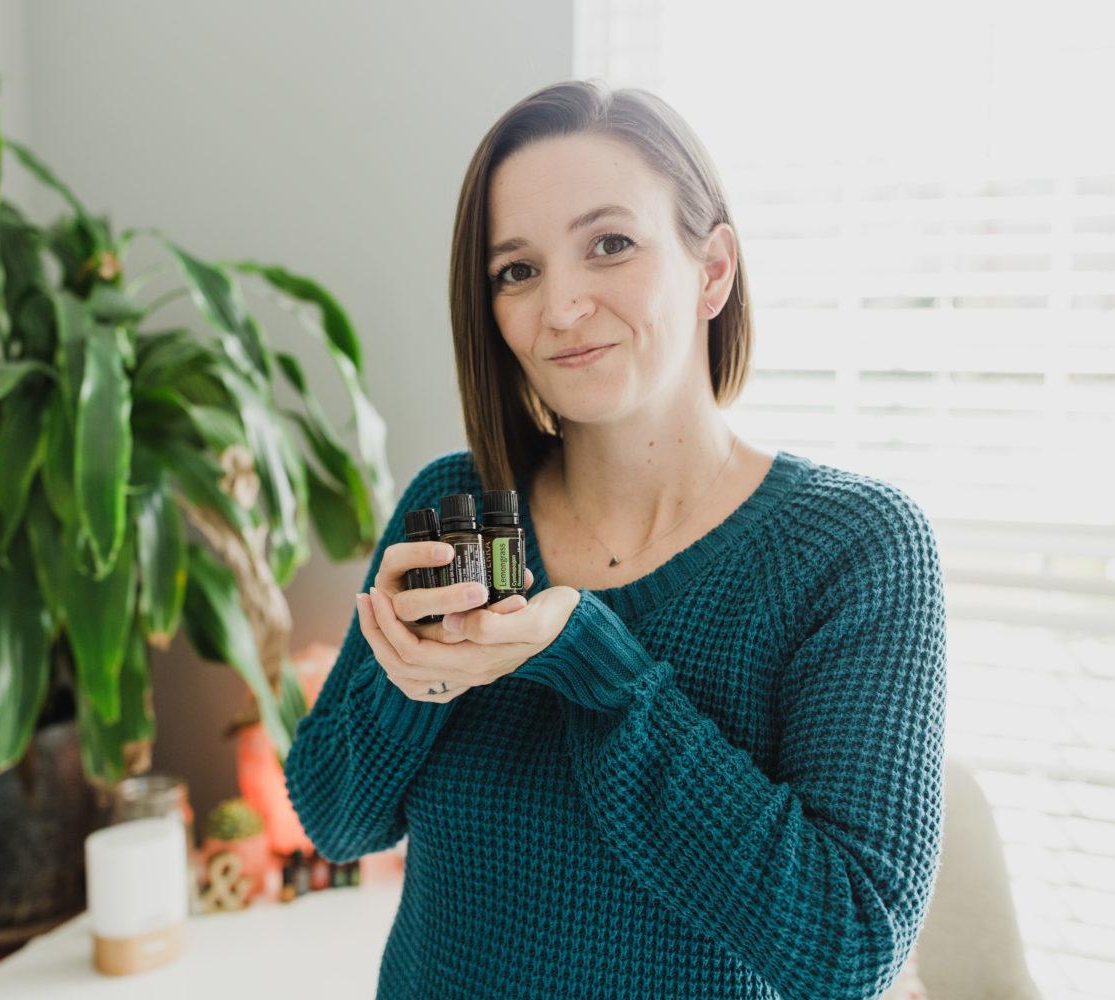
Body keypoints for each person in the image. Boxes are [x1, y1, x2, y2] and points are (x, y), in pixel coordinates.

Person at [282, 78, 947, 1000]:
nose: (560, 308)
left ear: (713, 270)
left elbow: (849, 945)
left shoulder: (853, 549)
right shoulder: (464, 507)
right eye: (517, 270)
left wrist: (588, 659)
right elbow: (336, 822)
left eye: (610, 245)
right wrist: (407, 680)